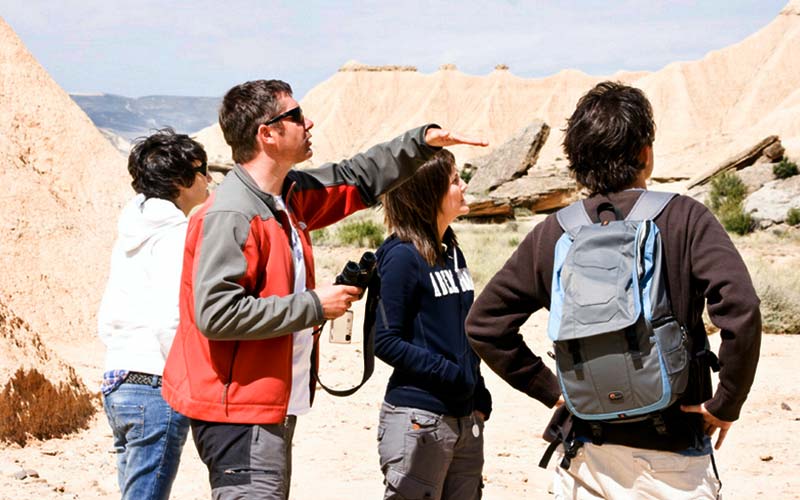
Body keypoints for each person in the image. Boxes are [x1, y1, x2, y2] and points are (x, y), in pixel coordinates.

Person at [160, 79, 487, 500]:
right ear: (268, 133)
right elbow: (217, 314)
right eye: (296, 116)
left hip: (267, 406)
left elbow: (356, 176)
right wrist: (315, 304)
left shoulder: (288, 198)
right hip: (239, 411)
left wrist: (420, 142)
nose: (308, 122)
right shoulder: (230, 213)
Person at [466, 81, 761, 499]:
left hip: (586, 453)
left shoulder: (554, 232)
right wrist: (725, 403)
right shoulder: (685, 218)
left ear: (577, 161)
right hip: (672, 455)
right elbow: (742, 308)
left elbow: (484, 324)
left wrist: (554, 392)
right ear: (645, 152)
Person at [98, 129, 211, 500]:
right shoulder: (175, 234)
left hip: (117, 379)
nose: (210, 179)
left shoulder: (131, 228)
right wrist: (186, 377)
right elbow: (171, 317)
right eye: (203, 170)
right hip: (153, 385)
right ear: (180, 180)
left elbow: (109, 313)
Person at [374, 149, 492, 500]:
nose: (464, 185)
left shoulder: (451, 251)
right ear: (430, 193)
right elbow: (386, 340)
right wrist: (449, 373)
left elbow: (459, 330)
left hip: (464, 418)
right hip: (419, 418)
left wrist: (478, 391)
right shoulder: (400, 256)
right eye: (455, 180)